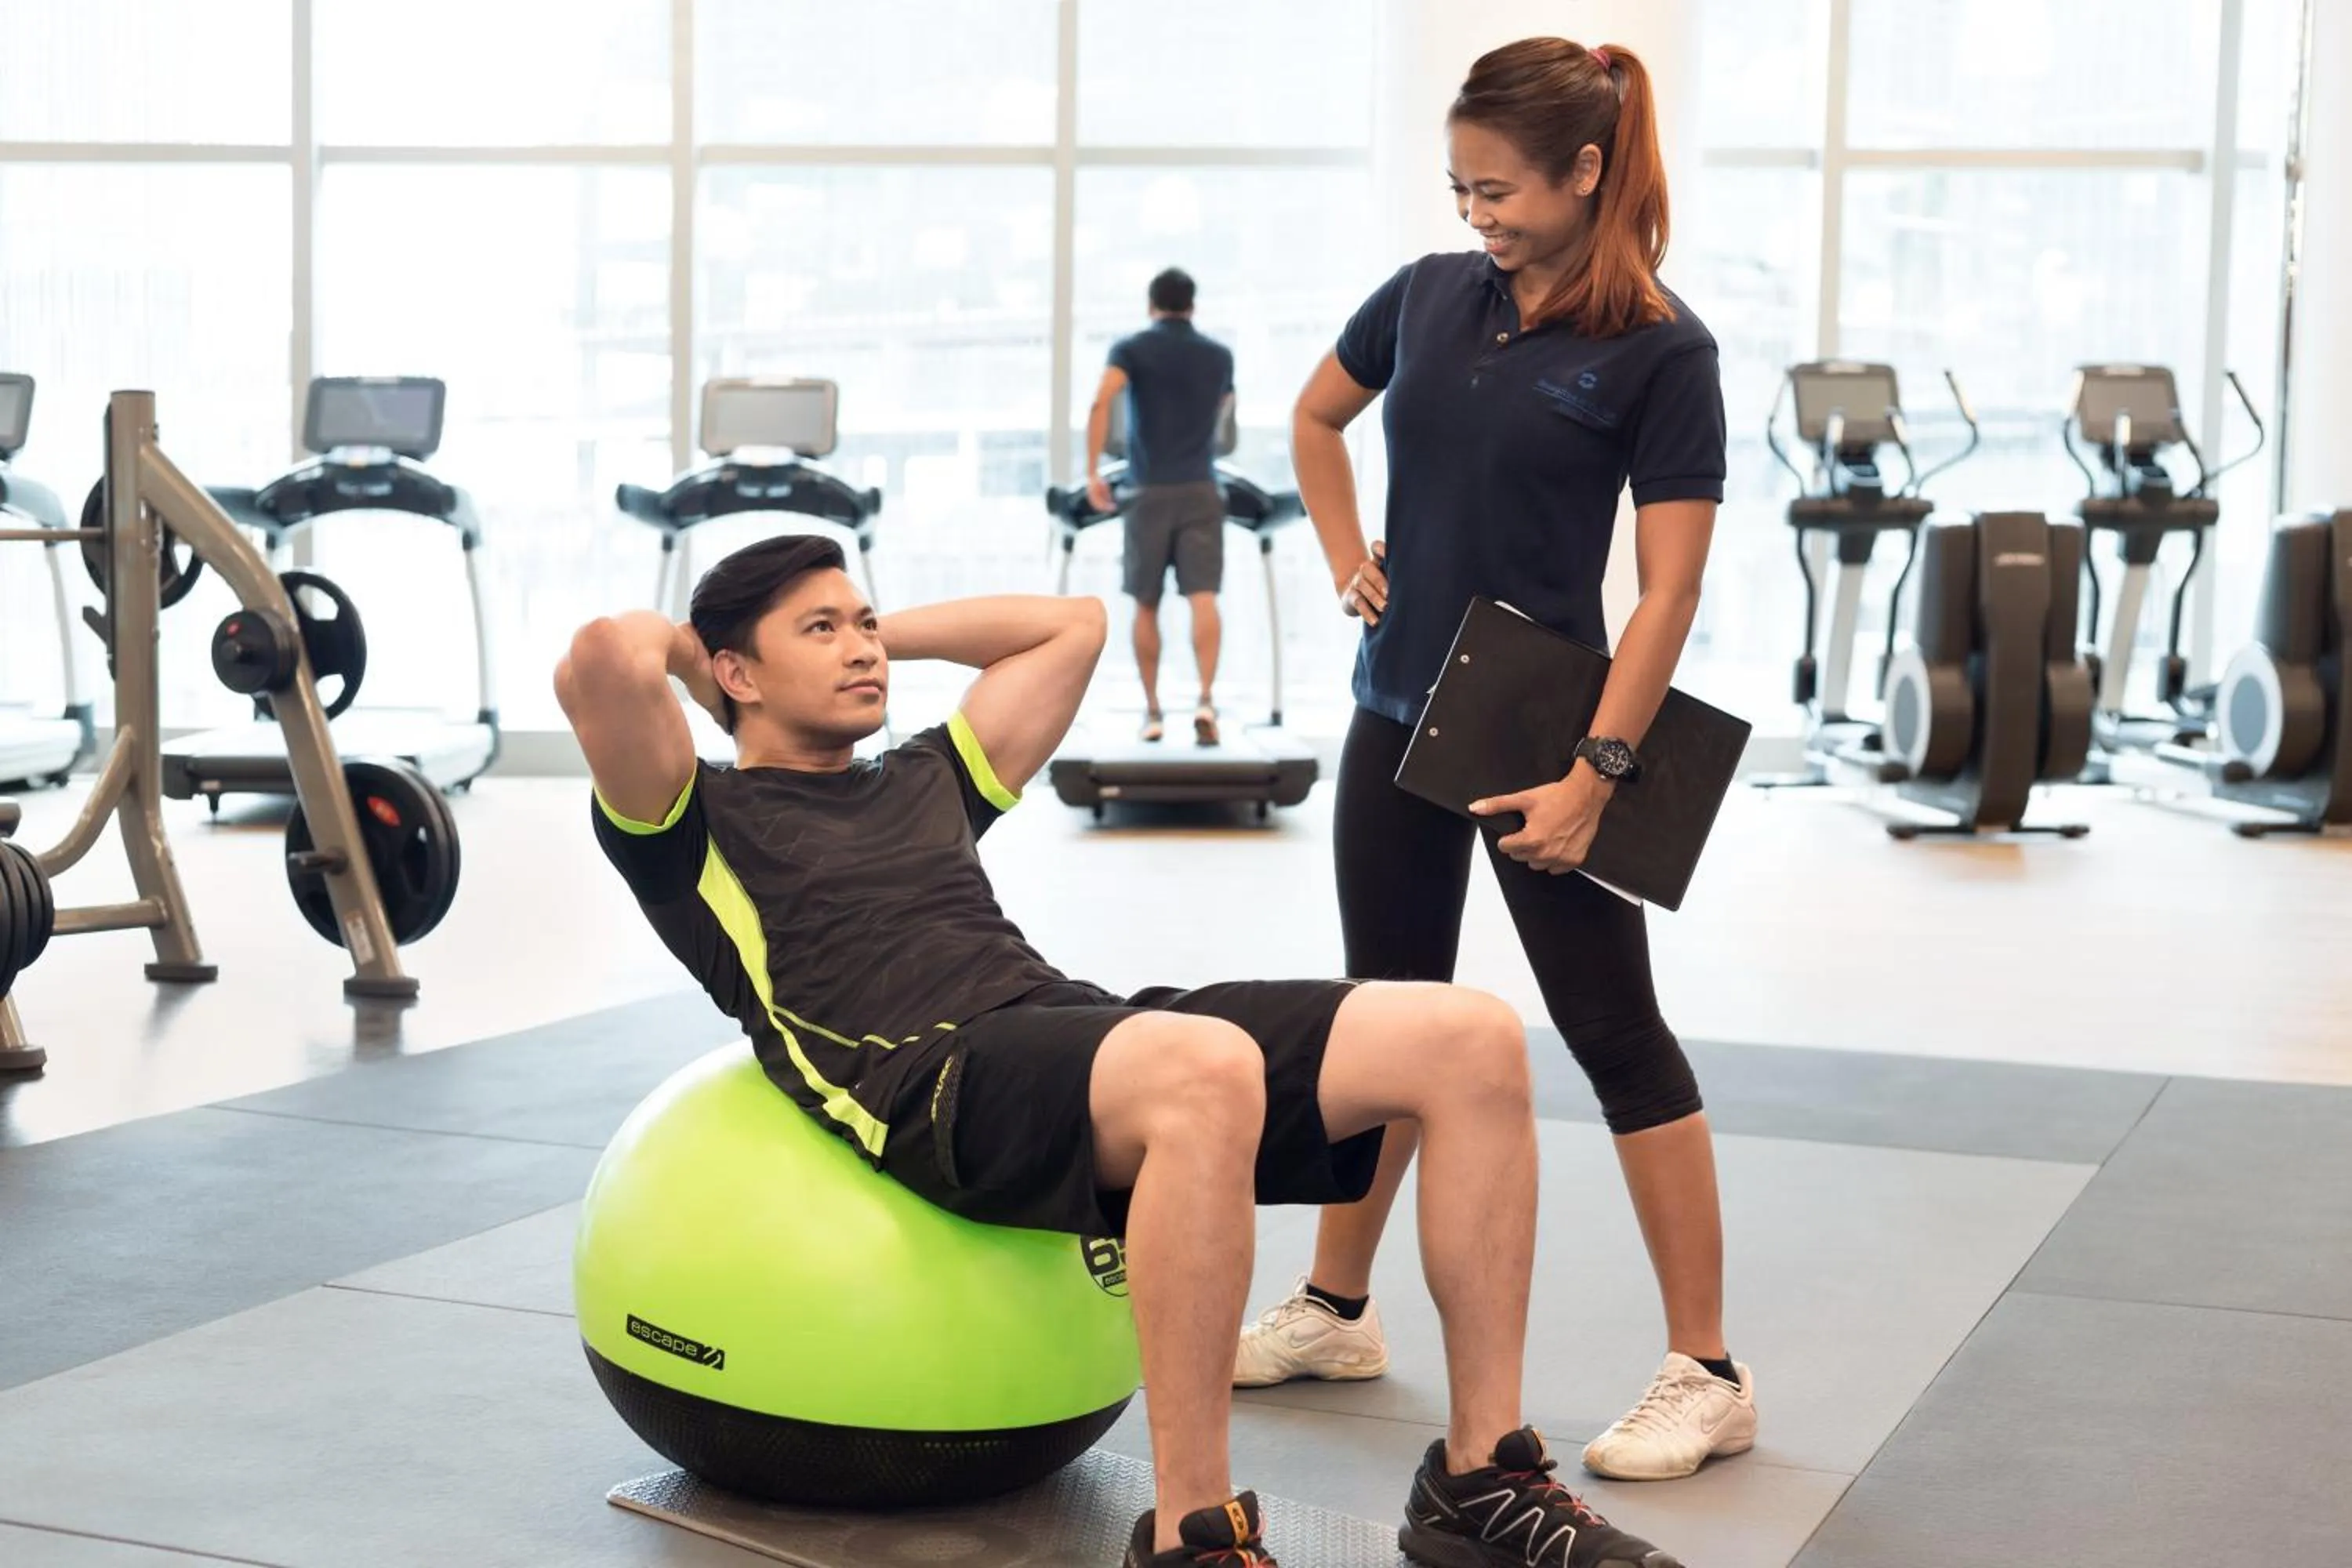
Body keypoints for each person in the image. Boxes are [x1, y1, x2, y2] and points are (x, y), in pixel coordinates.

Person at [556, 533, 1686, 1568]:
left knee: (1467, 1035)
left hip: (1065, 1024)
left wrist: (862, 639)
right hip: (929, 1085)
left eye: (867, 624)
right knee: (1206, 1067)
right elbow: (605, 656)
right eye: (823, 630)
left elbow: (1073, 624)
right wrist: (711, 668)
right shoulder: (689, 820)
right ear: (732, 672)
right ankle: (1194, 1532)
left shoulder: (925, 776)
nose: (863, 650)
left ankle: (1482, 1482)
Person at [1237, 37, 1758, 1486]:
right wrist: (1350, 558)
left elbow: (1665, 592)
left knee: (1614, 1030)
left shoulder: (1664, 347)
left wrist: (1602, 765)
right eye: (1459, 185)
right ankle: (1339, 1309)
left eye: (1502, 189)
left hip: (1544, 736)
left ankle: (1708, 1370)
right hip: (1393, 712)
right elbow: (1315, 415)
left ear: (1588, 170)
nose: (1477, 213)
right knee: (1381, 1025)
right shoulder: (1426, 295)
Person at [1086, 267, 1236, 746]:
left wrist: (1092, 472)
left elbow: (1100, 403)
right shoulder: (1219, 355)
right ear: (1191, 305)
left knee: (1145, 604)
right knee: (1203, 599)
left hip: (1147, 490)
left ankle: (1152, 714)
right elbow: (1224, 418)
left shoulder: (1130, 349)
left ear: (1152, 304)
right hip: (1200, 488)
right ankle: (1206, 701)